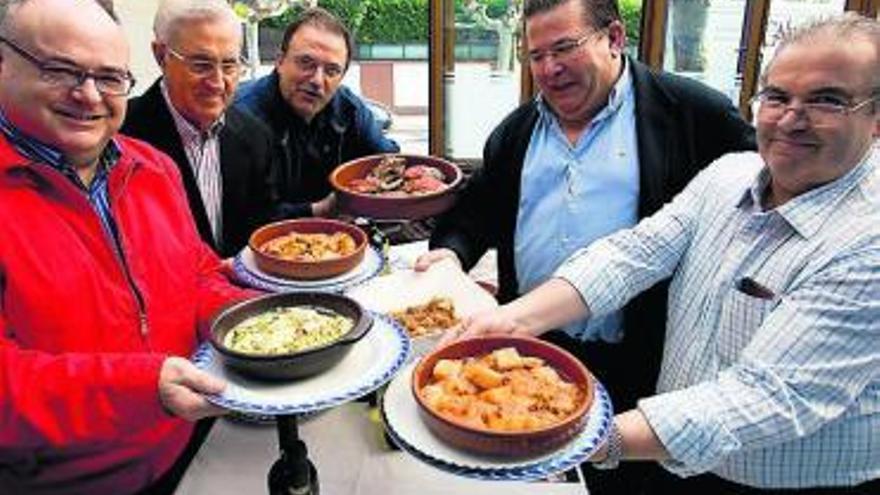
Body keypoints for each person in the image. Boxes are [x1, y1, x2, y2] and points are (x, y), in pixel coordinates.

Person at [453, 12, 880, 494]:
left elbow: (770, 396)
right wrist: (514, 321)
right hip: (677, 454)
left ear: (876, 116)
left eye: (828, 100)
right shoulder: (730, 175)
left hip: (784, 481)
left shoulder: (870, 241)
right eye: (777, 96)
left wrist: (562, 436)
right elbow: (632, 254)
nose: (790, 118)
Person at [417, 1, 754, 491]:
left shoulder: (692, 113)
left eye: (564, 48)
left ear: (614, 38)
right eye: (536, 55)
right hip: (530, 352)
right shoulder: (517, 131)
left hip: (639, 361)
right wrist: (450, 252)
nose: (549, 69)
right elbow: (477, 211)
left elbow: (758, 191)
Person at [0, 0, 252, 493]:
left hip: (188, 451)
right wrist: (143, 388)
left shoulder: (154, 168)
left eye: (111, 78)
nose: (89, 95)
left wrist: (260, 321)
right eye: (61, 70)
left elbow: (196, 274)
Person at [122, 0, 279, 257]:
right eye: (201, 65)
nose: (217, 83)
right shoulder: (120, 137)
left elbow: (263, 234)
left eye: (229, 65)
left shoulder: (256, 136)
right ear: (161, 56)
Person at [235, 7, 399, 218]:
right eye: (306, 63)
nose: (316, 80)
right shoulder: (240, 117)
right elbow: (239, 217)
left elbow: (390, 161)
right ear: (280, 61)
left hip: (338, 241)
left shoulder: (349, 109)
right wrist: (321, 209)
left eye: (331, 71)